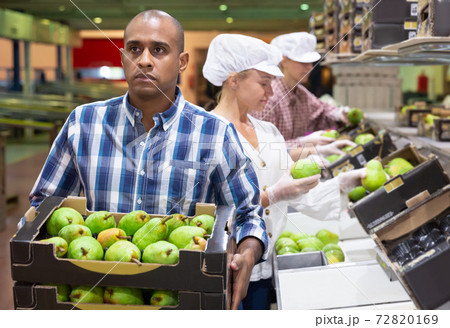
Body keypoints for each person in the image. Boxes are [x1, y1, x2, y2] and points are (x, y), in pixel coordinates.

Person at [24, 10, 268, 310]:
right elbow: (43, 205)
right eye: (134, 49)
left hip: (179, 300)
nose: (144, 60)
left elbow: (248, 214)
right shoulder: (84, 123)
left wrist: (248, 253)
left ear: (182, 62)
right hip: (98, 298)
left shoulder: (215, 133)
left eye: (159, 50)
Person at [202, 34, 366, 310]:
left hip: (265, 267)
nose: (270, 92)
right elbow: (206, 212)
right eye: (264, 83)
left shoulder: (268, 132)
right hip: (223, 270)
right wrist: (271, 196)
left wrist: (341, 183)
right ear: (234, 80)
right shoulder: (207, 132)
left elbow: (298, 194)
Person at [250, 32, 352, 150]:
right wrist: (302, 142)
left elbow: (322, 111)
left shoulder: (302, 94)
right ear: (284, 61)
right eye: (303, 62)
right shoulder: (268, 98)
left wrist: (339, 114)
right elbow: (263, 148)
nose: (309, 67)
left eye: (310, 62)